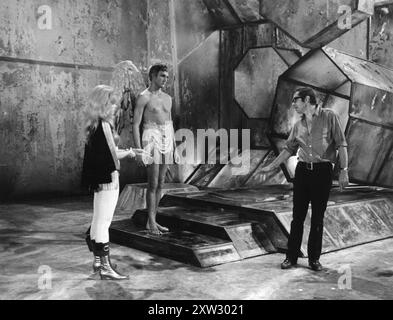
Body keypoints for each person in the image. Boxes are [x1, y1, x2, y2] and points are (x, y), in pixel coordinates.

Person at [260, 87, 349, 271]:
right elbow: (288, 149)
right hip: (302, 172)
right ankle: (291, 257)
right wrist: (273, 165)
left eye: (295, 100)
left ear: (307, 100)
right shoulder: (297, 125)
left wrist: (344, 169)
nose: (293, 104)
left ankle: (314, 259)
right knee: (297, 217)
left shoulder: (329, 117)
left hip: (322, 172)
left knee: (317, 218)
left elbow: (341, 144)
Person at [82, 85, 146, 280]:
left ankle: (98, 261)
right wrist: (131, 153)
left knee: (97, 219)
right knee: (104, 222)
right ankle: (105, 267)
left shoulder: (94, 124)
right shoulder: (104, 125)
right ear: (102, 103)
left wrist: (130, 151)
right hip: (108, 178)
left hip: (99, 179)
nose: (115, 107)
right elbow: (111, 155)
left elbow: (106, 153)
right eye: (111, 103)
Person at [133, 63, 179, 235]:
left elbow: (170, 122)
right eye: (162, 76)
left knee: (161, 183)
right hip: (151, 136)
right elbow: (135, 125)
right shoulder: (143, 97)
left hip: (167, 137)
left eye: (166, 76)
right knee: (152, 183)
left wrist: (174, 147)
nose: (165, 79)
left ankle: (153, 220)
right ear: (152, 76)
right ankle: (150, 222)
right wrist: (139, 150)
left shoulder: (168, 98)